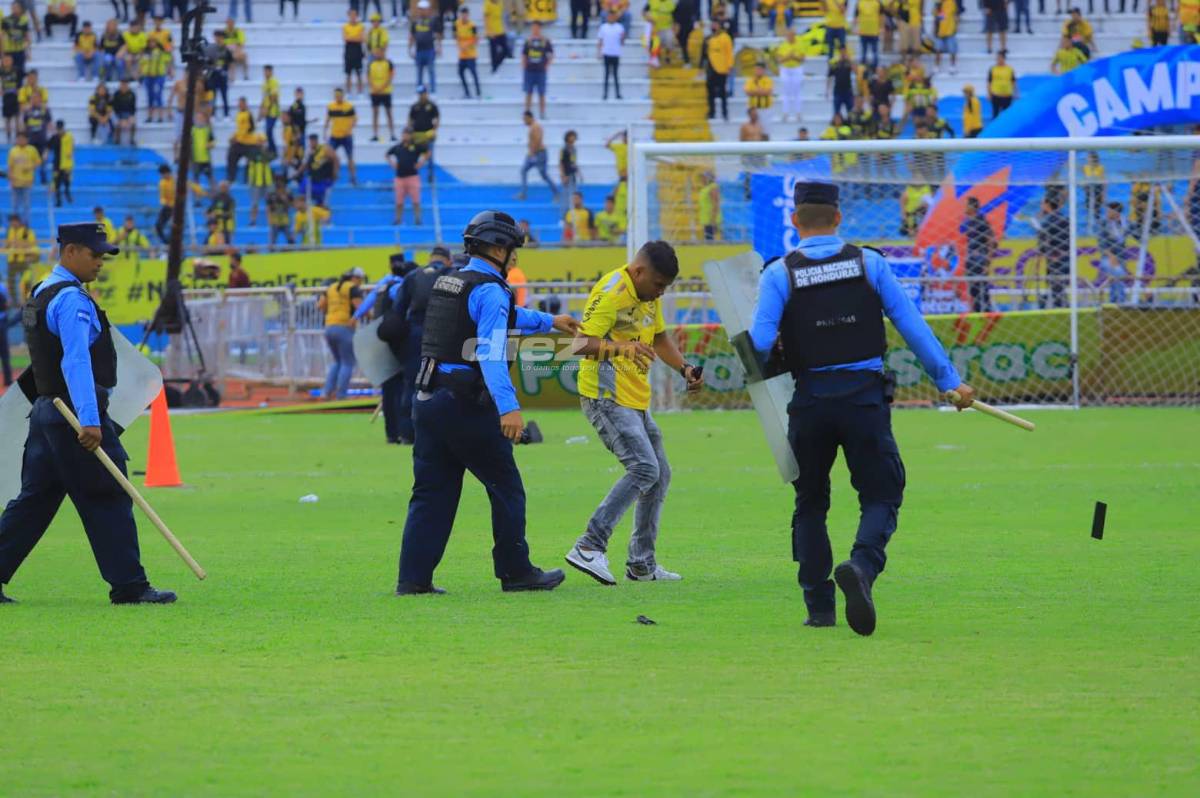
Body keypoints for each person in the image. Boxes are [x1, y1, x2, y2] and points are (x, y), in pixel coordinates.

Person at [746, 181, 975, 636]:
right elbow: (911, 325)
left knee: (810, 503)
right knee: (882, 494)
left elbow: (759, 343)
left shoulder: (778, 273)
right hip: (864, 400)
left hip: (810, 401)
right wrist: (949, 381)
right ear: (838, 218)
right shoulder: (870, 263)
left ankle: (819, 608)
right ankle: (863, 566)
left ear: (795, 221)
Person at [395, 210, 578, 595]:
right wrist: (508, 407)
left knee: (431, 493)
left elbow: (503, 316)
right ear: (497, 249)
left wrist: (550, 322)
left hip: (427, 401)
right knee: (506, 488)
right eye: (512, 249)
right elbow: (491, 351)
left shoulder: (453, 282)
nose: (516, 257)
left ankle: (413, 579)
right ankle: (516, 572)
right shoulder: (491, 290)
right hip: (465, 405)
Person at [0, 222, 178, 606]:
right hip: (74, 414)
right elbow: (76, 361)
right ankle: (129, 586)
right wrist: (90, 420)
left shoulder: (42, 291)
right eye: (94, 254)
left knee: (33, 501)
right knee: (107, 494)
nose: (100, 261)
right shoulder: (71, 300)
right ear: (70, 252)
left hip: (45, 411)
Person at [564, 242, 702, 585]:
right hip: (605, 396)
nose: (661, 292)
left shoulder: (648, 296)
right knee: (644, 467)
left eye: (665, 287)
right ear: (638, 272)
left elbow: (660, 338)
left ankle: (641, 563)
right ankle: (589, 545)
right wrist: (622, 347)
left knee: (660, 474)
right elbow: (579, 344)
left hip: (635, 397)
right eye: (658, 284)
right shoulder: (611, 293)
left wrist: (684, 368)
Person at [318, 267, 365, 399]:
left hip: (329, 326)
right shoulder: (352, 288)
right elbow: (360, 308)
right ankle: (341, 395)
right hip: (345, 326)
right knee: (347, 362)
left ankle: (326, 392)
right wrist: (372, 316)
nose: (360, 282)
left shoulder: (331, 287)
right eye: (360, 279)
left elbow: (320, 305)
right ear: (354, 278)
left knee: (338, 361)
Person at [961, 197, 996, 313]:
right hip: (971, 260)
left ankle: (987, 314)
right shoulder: (968, 222)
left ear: (972, 207)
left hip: (980, 260)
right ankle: (977, 313)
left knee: (982, 290)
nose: (964, 207)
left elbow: (991, 241)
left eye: (966, 205)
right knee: (973, 291)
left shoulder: (981, 221)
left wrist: (987, 263)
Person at [387, 127, 428, 226]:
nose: (406, 136)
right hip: (399, 178)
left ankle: (418, 219)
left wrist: (421, 163)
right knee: (399, 202)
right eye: (404, 134)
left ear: (411, 135)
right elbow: (387, 154)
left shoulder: (416, 146)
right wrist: (392, 163)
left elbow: (427, 152)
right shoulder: (398, 147)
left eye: (408, 134)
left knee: (416, 200)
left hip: (413, 177)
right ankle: (398, 219)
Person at [1036, 191, 1070, 308]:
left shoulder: (1048, 222)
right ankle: (1064, 307)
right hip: (1065, 257)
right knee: (1060, 288)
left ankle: (1059, 308)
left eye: (1042, 203)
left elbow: (1043, 243)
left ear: (1047, 204)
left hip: (1055, 258)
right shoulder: (1064, 219)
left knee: (1056, 287)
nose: (1041, 206)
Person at [1096, 202, 1132, 304]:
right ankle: (1120, 300)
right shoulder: (1103, 224)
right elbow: (1101, 245)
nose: (1107, 213)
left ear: (1116, 212)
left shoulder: (1126, 223)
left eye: (1109, 211)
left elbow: (1136, 234)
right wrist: (1111, 257)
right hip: (1107, 257)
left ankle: (1114, 301)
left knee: (1116, 276)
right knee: (1118, 272)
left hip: (1121, 257)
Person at [517, 110, 555, 200]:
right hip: (534, 153)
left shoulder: (536, 127)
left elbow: (538, 140)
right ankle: (523, 193)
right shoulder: (532, 127)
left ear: (529, 118)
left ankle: (556, 192)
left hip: (539, 154)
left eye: (525, 119)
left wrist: (532, 153)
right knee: (524, 170)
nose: (524, 121)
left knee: (543, 175)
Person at [325, 86, 358, 185]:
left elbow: (355, 119)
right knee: (328, 156)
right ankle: (333, 175)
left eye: (339, 95)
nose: (338, 97)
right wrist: (325, 132)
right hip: (334, 135)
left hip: (346, 136)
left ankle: (353, 177)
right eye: (336, 95)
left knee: (350, 157)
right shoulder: (331, 106)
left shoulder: (349, 106)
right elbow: (328, 120)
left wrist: (349, 129)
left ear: (343, 96)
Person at [700, 19, 731, 121]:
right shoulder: (708, 38)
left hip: (722, 68)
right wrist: (701, 67)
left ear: (719, 26)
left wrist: (729, 66)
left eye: (715, 24)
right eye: (712, 24)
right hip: (710, 68)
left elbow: (729, 53)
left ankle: (725, 112)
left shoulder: (725, 37)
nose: (713, 26)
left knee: (722, 92)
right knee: (710, 92)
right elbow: (703, 54)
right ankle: (711, 112)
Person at [521, 20, 552, 119]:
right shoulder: (528, 41)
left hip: (541, 71)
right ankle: (527, 113)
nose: (535, 29)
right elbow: (524, 54)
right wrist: (524, 65)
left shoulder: (545, 41)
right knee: (528, 93)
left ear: (540, 28)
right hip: (529, 70)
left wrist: (547, 65)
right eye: (533, 28)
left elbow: (551, 54)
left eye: (536, 27)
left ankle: (542, 113)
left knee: (541, 93)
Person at [409, 1, 441, 96]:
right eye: (420, 9)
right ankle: (419, 92)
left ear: (428, 10)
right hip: (419, 50)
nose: (422, 11)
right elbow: (412, 36)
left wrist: (438, 46)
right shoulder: (415, 22)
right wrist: (410, 48)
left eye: (424, 9)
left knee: (431, 71)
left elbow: (438, 34)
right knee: (419, 73)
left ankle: (433, 91)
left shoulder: (433, 21)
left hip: (429, 50)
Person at [773, 27, 805, 122]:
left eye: (792, 35)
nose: (790, 37)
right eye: (788, 35)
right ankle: (785, 113)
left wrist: (794, 57)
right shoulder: (783, 45)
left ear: (794, 35)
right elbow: (779, 60)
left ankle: (798, 113)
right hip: (785, 69)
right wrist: (788, 57)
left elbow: (803, 59)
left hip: (796, 68)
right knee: (786, 92)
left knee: (797, 92)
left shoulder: (800, 44)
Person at [407, 84, 439, 175]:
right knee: (413, 151)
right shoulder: (414, 106)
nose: (421, 95)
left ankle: (430, 172)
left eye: (422, 93)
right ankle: (414, 170)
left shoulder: (432, 105)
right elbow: (410, 119)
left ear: (426, 93)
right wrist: (410, 130)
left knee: (428, 152)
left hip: (427, 133)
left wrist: (434, 130)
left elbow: (436, 119)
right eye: (420, 94)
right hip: (417, 133)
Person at [6, 130, 37, 221]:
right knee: (14, 205)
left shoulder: (32, 150)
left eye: (22, 139)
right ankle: (15, 224)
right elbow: (10, 166)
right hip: (15, 182)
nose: (20, 141)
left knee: (26, 205)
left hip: (27, 182)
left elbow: (38, 162)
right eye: (18, 139)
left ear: (26, 140)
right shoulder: (13, 151)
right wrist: (10, 179)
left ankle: (26, 224)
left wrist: (29, 167)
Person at [3, 213, 35, 299]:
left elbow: (32, 244)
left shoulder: (26, 231)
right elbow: (8, 244)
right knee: (11, 282)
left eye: (13, 221)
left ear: (18, 221)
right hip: (12, 261)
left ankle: (27, 300)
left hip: (23, 260)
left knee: (26, 282)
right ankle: (13, 301)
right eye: (11, 222)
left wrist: (18, 244)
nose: (12, 224)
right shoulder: (10, 231)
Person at [227, 95, 258, 182]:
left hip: (250, 143)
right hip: (240, 142)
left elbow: (251, 128)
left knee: (251, 162)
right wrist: (233, 137)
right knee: (231, 157)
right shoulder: (238, 114)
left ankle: (247, 179)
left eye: (242, 103)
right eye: (239, 103)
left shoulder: (249, 114)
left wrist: (238, 137)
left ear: (246, 104)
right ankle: (231, 178)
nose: (240, 105)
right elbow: (239, 129)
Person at [368, 48, 396, 140]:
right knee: (375, 113)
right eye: (376, 53)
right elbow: (369, 77)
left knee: (389, 113)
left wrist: (381, 88)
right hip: (374, 92)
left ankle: (392, 134)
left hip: (386, 91)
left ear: (384, 53)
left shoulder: (389, 63)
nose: (378, 54)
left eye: (380, 52)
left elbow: (391, 76)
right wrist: (375, 87)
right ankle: (375, 134)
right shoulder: (371, 64)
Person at [246, 137, 275, 226]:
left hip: (268, 181)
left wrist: (264, 151)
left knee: (270, 203)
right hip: (256, 182)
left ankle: (271, 221)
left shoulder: (267, 152)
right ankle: (253, 220)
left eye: (263, 142)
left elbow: (272, 157)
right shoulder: (252, 152)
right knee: (254, 203)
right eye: (260, 141)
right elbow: (252, 161)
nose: (261, 143)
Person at [597, 10, 624, 100]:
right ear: (607, 17)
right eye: (610, 16)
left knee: (616, 75)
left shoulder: (620, 27)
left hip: (616, 53)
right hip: (606, 53)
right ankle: (605, 94)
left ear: (615, 17)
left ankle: (618, 94)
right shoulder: (603, 27)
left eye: (613, 16)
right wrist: (599, 52)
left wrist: (623, 37)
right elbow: (600, 41)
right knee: (606, 75)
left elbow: (622, 42)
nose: (611, 18)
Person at [455, 7, 480, 100]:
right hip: (462, 55)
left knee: (473, 73)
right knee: (460, 73)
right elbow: (457, 36)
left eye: (465, 14)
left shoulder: (472, 25)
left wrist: (467, 45)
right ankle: (467, 93)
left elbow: (476, 39)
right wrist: (460, 45)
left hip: (471, 54)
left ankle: (478, 92)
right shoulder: (457, 24)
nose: (464, 16)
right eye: (462, 14)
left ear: (468, 15)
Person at [47, 119, 72, 207]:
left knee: (66, 181)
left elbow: (70, 150)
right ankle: (58, 200)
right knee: (56, 182)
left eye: (60, 129)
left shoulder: (68, 137)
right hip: (57, 163)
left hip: (66, 163)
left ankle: (67, 193)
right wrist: (46, 154)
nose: (59, 131)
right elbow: (48, 146)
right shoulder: (54, 138)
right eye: (58, 129)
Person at [826, 45, 855, 119]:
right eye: (841, 51)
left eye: (844, 51)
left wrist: (850, 60)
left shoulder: (849, 62)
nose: (843, 53)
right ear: (839, 52)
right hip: (838, 91)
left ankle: (850, 124)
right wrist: (827, 90)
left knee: (851, 112)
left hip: (848, 90)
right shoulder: (835, 63)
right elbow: (829, 76)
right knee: (837, 112)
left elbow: (856, 71)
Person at [266, 174, 294, 249]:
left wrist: (285, 200)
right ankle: (272, 253)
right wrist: (269, 218)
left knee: (290, 239)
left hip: (285, 219)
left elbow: (292, 205)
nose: (279, 183)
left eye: (281, 182)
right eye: (277, 182)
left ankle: (292, 252)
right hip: (275, 219)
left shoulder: (288, 192)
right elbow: (268, 207)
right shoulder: (271, 193)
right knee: (273, 241)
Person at [987, 50, 1016, 119]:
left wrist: (1015, 92)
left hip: (1007, 95)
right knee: (995, 115)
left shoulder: (1009, 69)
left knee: (1007, 116)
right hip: (996, 95)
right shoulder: (992, 69)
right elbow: (989, 82)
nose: (998, 60)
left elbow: (1013, 81)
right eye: (997, 58)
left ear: (1004, 58)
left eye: (1000, 58)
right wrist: (989, 93)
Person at [343, 8, 366, 95]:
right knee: (348, 74)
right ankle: (348, 92)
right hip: (348, 52)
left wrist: (351, 37)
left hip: (358, 52)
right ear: (348, 15)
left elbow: (362, 39)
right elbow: (345, 38)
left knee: (359, 74)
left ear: (357, 16)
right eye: (351, 14)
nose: (353, 16)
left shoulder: (361, 26)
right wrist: (356, 37)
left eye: (355, 15)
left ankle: (360, 92)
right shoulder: (345, 26)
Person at [259, 64, 281, 154]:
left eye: (267, 71)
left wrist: (267, 109)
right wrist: (260, 112)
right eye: (264, 71)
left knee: (269, 130)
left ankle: (273, 149)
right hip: (267, 112)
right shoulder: (264, 83)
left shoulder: (274, 82)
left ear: (271, 72)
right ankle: (271, 148)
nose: (265, 73)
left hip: (273, 111)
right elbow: (264, 98)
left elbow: (274, 97)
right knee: (267, 131)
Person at [854, 0, 881, 70]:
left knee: (874, 52)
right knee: (864, 52)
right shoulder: (860, 2)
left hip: (874, 31)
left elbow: (881, 15)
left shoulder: (877, 2)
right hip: (864, 31)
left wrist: (881, 27)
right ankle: (862, 70)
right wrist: (855, 27)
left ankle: (875, 69)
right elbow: (856, 15)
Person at [207, 180, 235, 244]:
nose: (223, 188)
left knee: (225, 244)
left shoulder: (230, 199)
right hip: (215, 226)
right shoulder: (216, 198)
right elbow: (210, 209)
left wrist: (217, 214)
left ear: (228, 188)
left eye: (224, 187)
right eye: (221, 187)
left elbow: (230, 214)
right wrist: (209, 215)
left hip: (225, 227)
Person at [112, 76, 137, 145]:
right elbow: (115, 108)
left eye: (125, 84)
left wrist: (130, 117)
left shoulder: (132, 94)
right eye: (122, 84)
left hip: (128, 114)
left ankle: (132, 139)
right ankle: (117, 140)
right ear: (120, 85)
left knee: (133, 122)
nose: (124, 86)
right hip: (118, 114)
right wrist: (121, 119)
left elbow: (133, 108)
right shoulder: (116, 94)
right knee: (117, 123)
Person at [483, 0, 507, 73]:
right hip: (492, 31)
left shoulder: (500, 2)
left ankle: (496, 64)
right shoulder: (487, 3)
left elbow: (501, 17)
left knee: (505, 50)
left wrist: (504, 28)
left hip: (500, 30)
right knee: (493, 51)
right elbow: (486, 19)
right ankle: (494, 67)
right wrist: (489, 31)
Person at [933, 0, 956, 73]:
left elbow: (953, 14)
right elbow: (936, 17)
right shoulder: (938, 4)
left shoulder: (951, 2)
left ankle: (952, 66)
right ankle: (937, 66)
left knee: (952, 50)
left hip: (949, 31)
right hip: (939, 32)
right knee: (938, 49)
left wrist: (955, 27)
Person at [697, 169, 720, 241]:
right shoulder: (705, 188)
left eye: (704, 177)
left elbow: (715, 204)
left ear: (709, 178)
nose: (702, 179)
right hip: (706, 218)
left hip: (711, 218)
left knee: (710, 240)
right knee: (708, 239)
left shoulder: (713, 187)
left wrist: (713, 220)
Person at [0, 282, 10, 386]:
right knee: (4, 354)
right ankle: (7, 380)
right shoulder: (2, 287)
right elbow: (7, 304)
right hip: (1, 322)